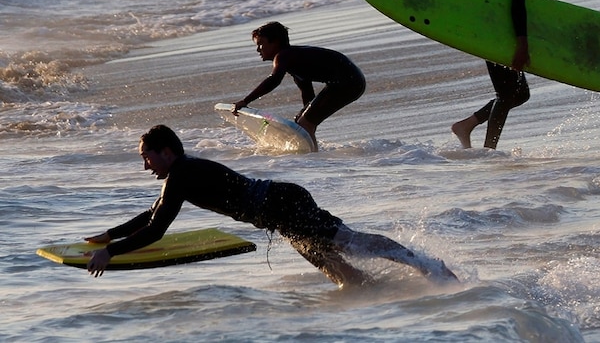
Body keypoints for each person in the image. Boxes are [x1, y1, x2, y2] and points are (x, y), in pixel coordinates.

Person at [81, 125, 452, 287]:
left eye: (147, 157)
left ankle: (425, 265)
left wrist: (111, 252)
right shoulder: (181, 174)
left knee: (346, 242)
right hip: (279, 210)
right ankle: (381, 295)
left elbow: (157, 229)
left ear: (166, 152)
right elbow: (153, 214)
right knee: (334, 267)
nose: (145, 166)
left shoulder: (182, 173)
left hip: (282, 203)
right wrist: (110, 235)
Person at [451, 0, 541, 149]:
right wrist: (522, 44)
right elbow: (516, 5)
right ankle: (489, 150)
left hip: (495, 33)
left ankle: (466, 125)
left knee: (519, 94)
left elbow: (507, 2)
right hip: (500, 38)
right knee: (507, 95)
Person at [233, 21, 365, 145]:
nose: (258, 50)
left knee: (305, 123)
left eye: (261, 44)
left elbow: (274, 80)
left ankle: (312, 157)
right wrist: (305, 111)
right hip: (350, 82)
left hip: (348, 83)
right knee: (303, 121)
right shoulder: (294, 58)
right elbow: (306, 90)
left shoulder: (283, 56)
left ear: (276, 42)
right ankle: (311, 151)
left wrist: (246, 101)